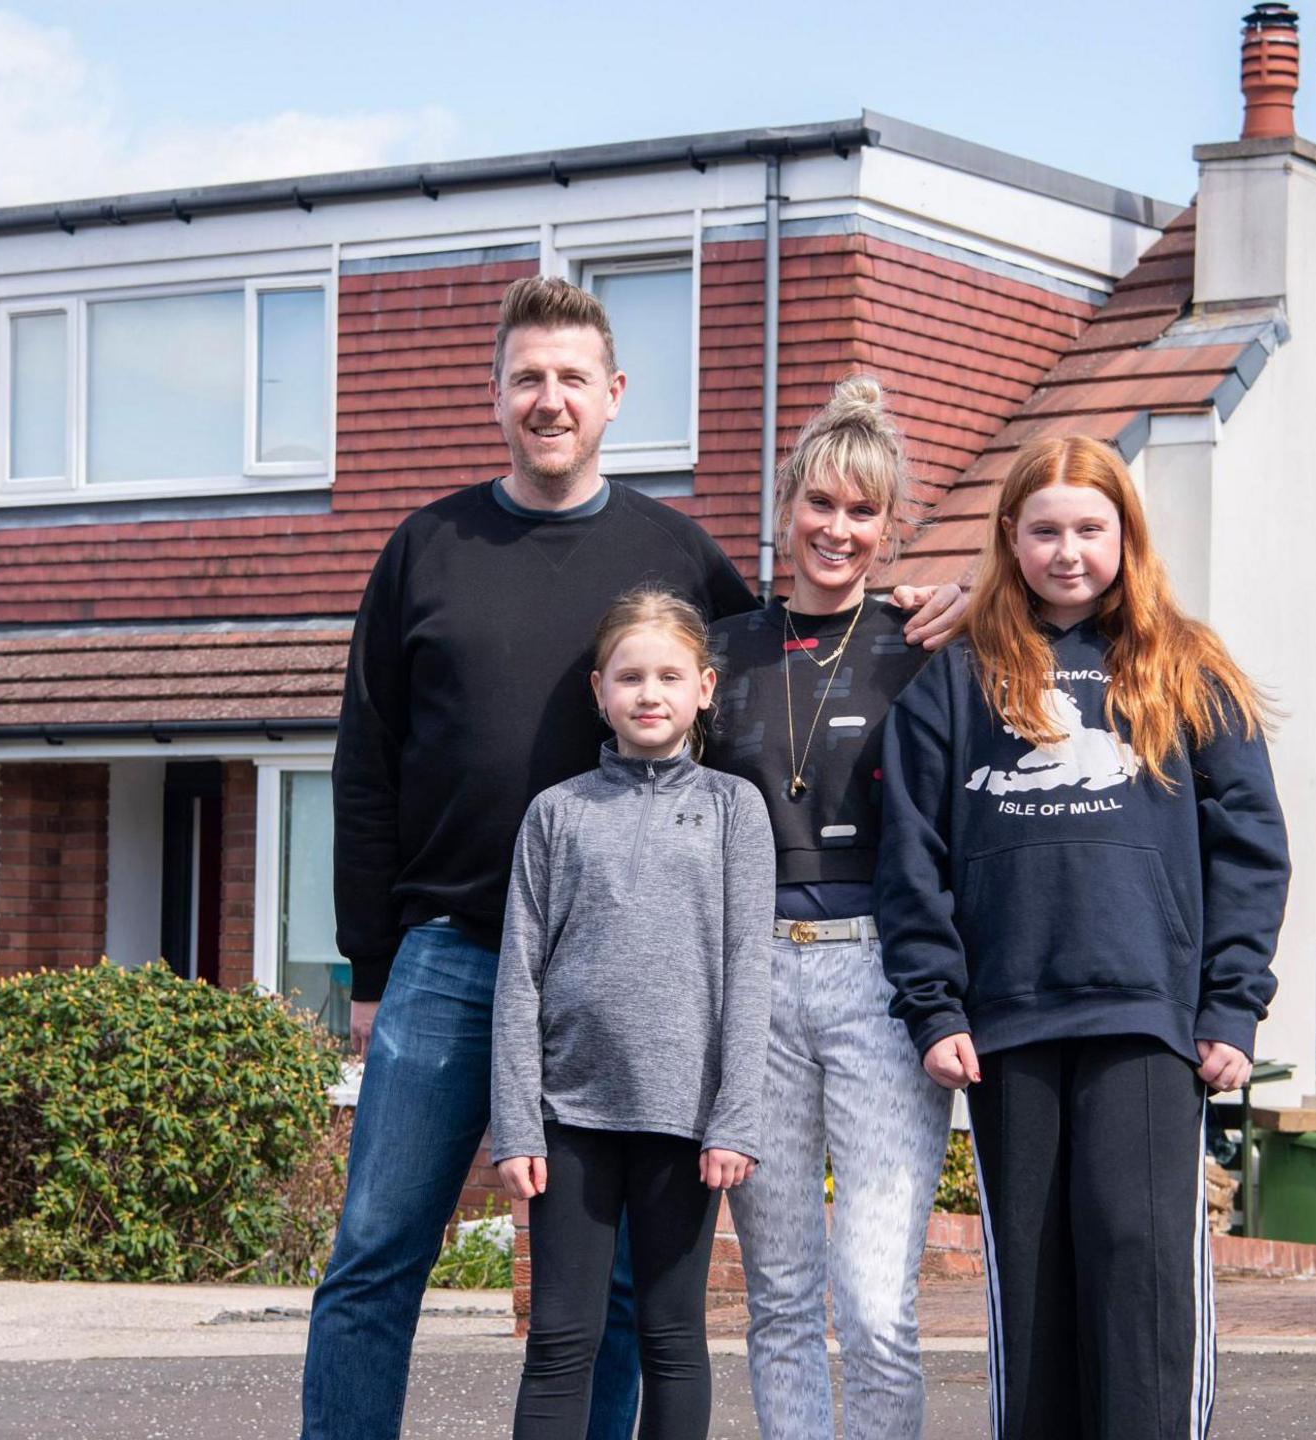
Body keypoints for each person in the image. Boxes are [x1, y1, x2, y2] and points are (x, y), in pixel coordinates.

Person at [310, 275, 966, 1440]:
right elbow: (364, 764)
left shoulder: (672, 550)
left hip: (629, 980)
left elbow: (792, 650)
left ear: (613, 395)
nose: (547, 399)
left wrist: (924, 603)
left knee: (612, 1296)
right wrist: (368, 970)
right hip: (451, 957)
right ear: (496, 395)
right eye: (526, 378)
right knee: (373, 1253)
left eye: (571, 378)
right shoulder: (426, 548)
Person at [875, 433, 1291, 1440]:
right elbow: (909, 856)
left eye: (1090, 529)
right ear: (1009, 538)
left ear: (1126, 536)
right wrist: (933, 1005)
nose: (1068, 551)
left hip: (1149, 1022)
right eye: (1046, 530)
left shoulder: (1186, 669)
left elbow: (1248, 848)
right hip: (1007, 1027)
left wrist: (1230, 1003)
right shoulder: (956, 679)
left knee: (1137, 1272)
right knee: (1034, 1290)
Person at [704, 377, 950, 1439]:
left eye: (863, 512)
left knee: (875, 1305)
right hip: (751, 978)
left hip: (880, 980)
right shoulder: (720, 653)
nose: (836, 530)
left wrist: (983, 593)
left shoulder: (925, 651)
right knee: (782, 1300)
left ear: (891, 530)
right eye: (820, 504)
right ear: (783, 507)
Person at [492, 587, 775, 1440]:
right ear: (599, 693)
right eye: (629, 677)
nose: (649, 693)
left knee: (673, 1340)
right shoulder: (557, 814)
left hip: (685, 1124)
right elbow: (519, 978)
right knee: (560, 1342)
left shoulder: (736, 810)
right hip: (571, 1122)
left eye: (668, 676)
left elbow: (749, 970)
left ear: (705, 688)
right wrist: (517, 1126)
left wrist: (736, 1118)